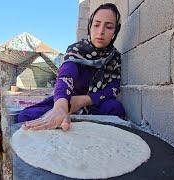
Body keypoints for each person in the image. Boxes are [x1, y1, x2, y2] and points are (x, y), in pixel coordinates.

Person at [19, 3, 125, 131]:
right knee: (26, 117)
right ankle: (65, 118)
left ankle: (72, 120)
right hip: (66, 100)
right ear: (90, 27)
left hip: (93, 103)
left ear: (115, 32)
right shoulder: (76, 50)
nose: (100, 31)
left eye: (108, 27)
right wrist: (61, 107)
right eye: (96, 25)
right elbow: (66, 76)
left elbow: (112, 89)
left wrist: (82, 100)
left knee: (115, 108)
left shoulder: (115, 58)